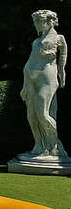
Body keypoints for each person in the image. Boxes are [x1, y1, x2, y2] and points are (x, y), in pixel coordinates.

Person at [18, 9, 68, 160]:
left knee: (43, 114)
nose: (36, 25)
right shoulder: (37, 40)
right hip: (31, 81)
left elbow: (62, 61)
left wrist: (62, 75)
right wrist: (25, 85)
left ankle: (53, 147)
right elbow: (30, 62)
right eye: (35, 22)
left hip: (47, 78)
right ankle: (39, 146)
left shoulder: (59, 38)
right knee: (31, 115)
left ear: (49, 21)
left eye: (39, 22)